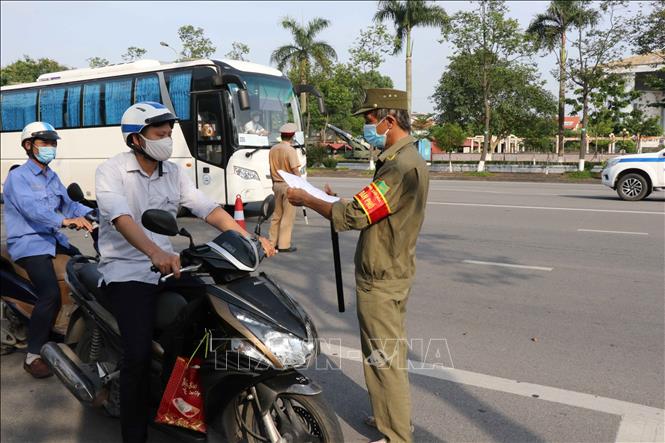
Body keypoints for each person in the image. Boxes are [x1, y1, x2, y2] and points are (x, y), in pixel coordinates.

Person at [95, 101, 276, 443]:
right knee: (136, 355)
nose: (168, 139)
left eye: (169, 133)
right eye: (160, 134)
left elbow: (207, 208)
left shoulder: (174, 172)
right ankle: (134, 434)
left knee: (218, 311)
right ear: (136, 139)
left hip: (170, 268)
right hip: (127, 271)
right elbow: (122, 219)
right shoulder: (111, 171)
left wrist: (250, 239)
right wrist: (155, 252)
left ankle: (188, 398)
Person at [287, 89, 429, 443]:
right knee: (385, 354)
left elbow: (355, 216)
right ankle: (391, 418)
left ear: (388, 121)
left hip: (382, 276)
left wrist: (308, 199)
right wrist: (331, 200)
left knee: (384, 358)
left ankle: (396, 435)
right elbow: (373, 209)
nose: (367, 127)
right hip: (392, 269)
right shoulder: (404, 159)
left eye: (369, 120)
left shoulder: (399, 166)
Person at [3, 122, 93, 378]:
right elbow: (33, 210)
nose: (50, 148)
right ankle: (33, 355)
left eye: (53, 143)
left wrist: (95, 213)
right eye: (44, 143)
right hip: (29, 243)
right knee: (50, 294)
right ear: (28, 146)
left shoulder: (51, 176)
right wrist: (64, 222)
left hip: (53, 240)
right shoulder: (18, 177)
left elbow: (69, 205)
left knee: (85, 269)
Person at [268, 122, 301, 253]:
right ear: (292, 136)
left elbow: (271, 169)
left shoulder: (273, 149)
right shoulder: (290, 150)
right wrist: (300, 186)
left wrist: (273, 184)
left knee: (276, 215)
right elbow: (295, 171)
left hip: (276, 184)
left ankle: (272, 243)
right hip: (289, 186)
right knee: (288, 216)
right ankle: (284, 245)